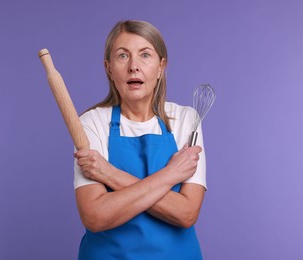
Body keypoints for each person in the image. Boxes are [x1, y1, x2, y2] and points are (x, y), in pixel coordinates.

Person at [73, 20, 206, 259]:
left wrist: (110, 174)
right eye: (122, 56)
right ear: (109, 68)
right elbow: (95, 216)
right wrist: (170, 175)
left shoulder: (187, 119)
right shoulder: (90, 123)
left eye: (145, 55)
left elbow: (186, 213)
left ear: (161, 66)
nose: (134, 66)